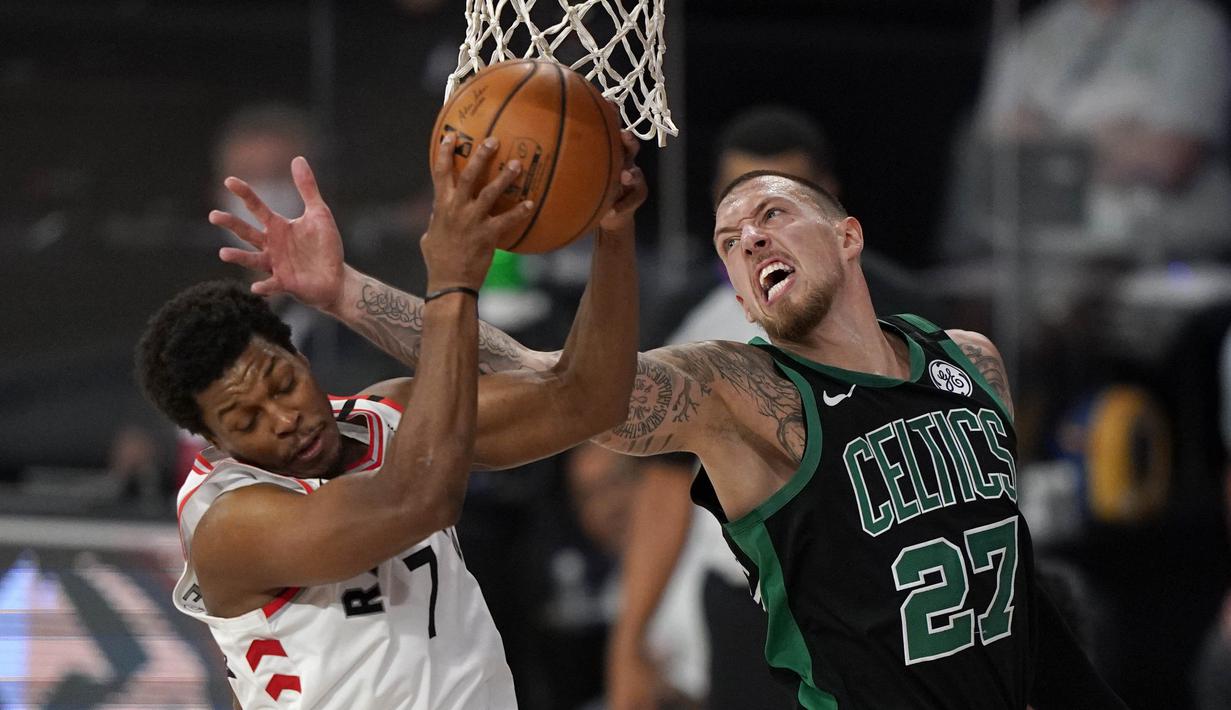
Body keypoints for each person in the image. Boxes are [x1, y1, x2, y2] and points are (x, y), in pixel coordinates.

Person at [240, 150, 1128, 705]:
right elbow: (550, 379)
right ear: (737, 294)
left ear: (847, 235)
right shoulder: (737, 392)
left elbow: (1013, 585)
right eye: (729, 240)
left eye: (772, 214)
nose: (748, 240)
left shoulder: (970, 360)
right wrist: (343, 291)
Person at [136, 131, 646, 708]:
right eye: (245, 419)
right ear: (214, 441)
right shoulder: (228, 523)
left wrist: (611, 230)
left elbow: (590, 400)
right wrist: (453, 280)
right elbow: (418, 500)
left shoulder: (392, 416)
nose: (283, 419)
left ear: (302, 358)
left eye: (284, 385)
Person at [609, 106, 840, 710]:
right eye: (742, 201)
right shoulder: (694, 323)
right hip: (747, 614)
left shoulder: (909, 315)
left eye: (781, 205)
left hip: (875, 598)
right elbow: (663, 493)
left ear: (830, 201)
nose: (761, 231)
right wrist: (629, 640)